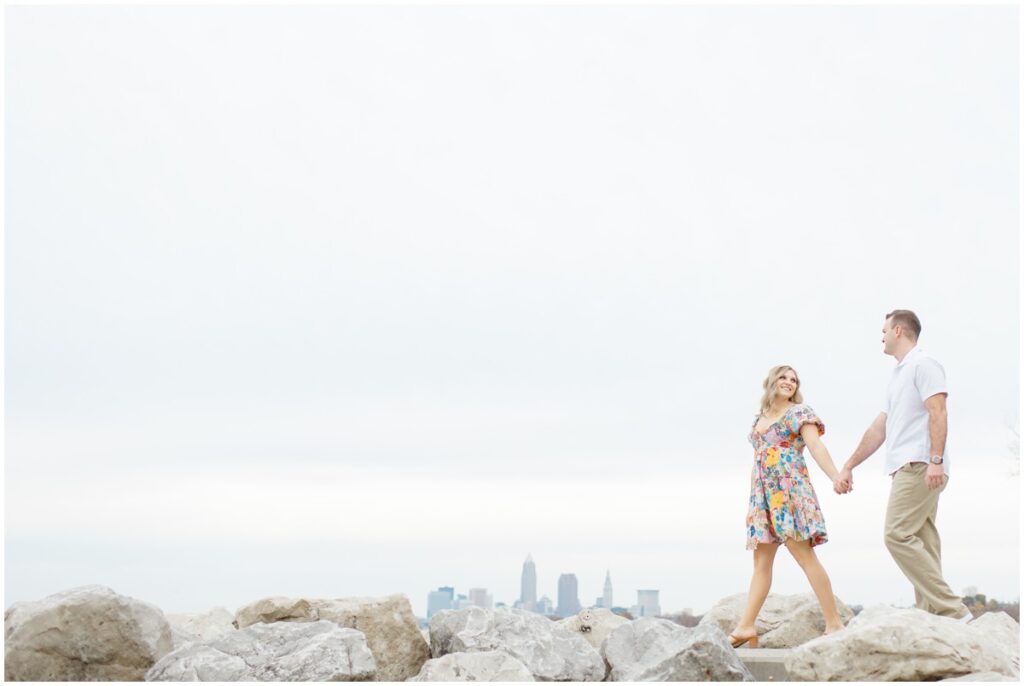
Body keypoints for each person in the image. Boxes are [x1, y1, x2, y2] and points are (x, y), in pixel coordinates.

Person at [834, 310, 972, 621]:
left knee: (896, 534)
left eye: (883, 330)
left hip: (921, 463)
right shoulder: (898, 375)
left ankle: (951, 608)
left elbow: (938, 412)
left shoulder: (924, 365)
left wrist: (935, 460)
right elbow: (878, 428)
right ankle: (934, 614)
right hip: (907, 466)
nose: (880, 336)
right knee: (923, 540)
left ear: (898, 331)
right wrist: (849, 465)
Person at [728, 365, 846, 648]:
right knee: (760, 562)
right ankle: (746, 626)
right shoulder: (760, 418)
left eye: (794, 380)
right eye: (783, 377)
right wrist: (754, 504)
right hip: (764, 496)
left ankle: (834, 623)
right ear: (771, 381)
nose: (789, 382)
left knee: (804, 555)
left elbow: (816, 446)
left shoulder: (799, 412)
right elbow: (757, 461)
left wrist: (835, 476)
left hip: (789, 492)